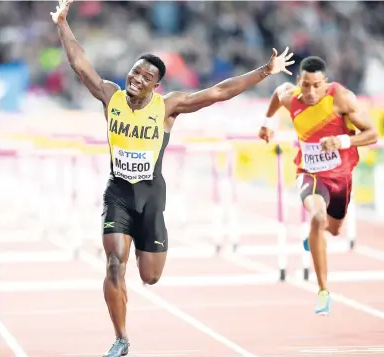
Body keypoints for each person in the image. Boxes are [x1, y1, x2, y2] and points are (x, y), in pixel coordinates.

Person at [50, 0, 295, 355]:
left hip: (150, 198)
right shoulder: (110, 96)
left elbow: (218, 93)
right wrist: (62, 23)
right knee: (114, 265)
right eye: (135, 72)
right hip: (117, 193)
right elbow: (79, 63)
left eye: (146, 77)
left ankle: (141, 259)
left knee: (149, 276)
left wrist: (264, 71)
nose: (136, 79)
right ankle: (120, 338)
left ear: (156, 85)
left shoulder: (167, 107)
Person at [259, 56, 378, 316]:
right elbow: (278, 95)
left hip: (340, 177)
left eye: (316, 86)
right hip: (310, 173)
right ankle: (323, 291)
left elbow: (372, 134)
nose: (310, 92)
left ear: (326, 83)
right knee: (316, 216)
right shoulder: (291, 96)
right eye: (305, 85)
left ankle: (314, 238)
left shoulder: (341, 98)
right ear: (298, 82)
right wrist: (267, 124)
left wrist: (341, 142)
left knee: (333, 230)